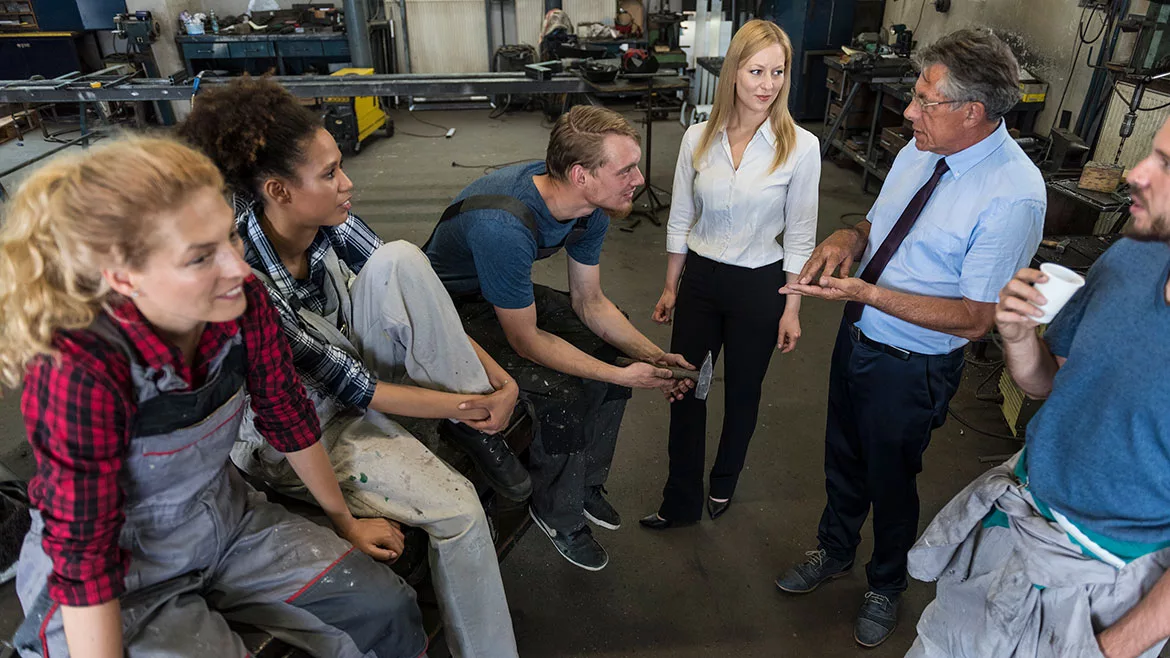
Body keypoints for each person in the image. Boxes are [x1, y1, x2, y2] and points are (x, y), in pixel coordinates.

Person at [0, 136, 425, 657]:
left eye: (230, 237)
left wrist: (344, 521)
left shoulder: (243, 305)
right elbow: (85, 560)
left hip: (225, 519)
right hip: (118, 568)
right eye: (201, 257)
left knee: (384, 610)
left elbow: (287, 417)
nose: (238, 269)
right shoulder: (79, 369)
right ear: (121, 276)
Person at [179, 77, 519, 658]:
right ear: (279, 191)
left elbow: (416, 296)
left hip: (350, 373)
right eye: (331, 173)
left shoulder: (328, 217)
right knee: (459, 508)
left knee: (401, 259)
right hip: (302, 433)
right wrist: (473, 405)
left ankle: (471, 427)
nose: (348, 182)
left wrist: (496, 381)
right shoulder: (248, 281)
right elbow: (347, 390)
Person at [772, 28, 1045, 647]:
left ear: (972, 113)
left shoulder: (1012, 196)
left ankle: (886, 583)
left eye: (925, 100)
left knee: (891, 477)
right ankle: (835, 550)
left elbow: (977, 318)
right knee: (842, 457)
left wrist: (867, 293)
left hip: (912, 365)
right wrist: (848, 238)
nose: (909, 110)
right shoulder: (920, 150)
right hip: (859, 336)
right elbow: (879, 223)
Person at [906, 118, 1170, 658]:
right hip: (1013, 530)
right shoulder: (1130, 257)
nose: (1137, 173)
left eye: (1167, 165)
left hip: (1098, 589)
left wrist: (1108, 648)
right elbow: (1049, 383)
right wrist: (1020, 335)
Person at [424, 105, 693, 571]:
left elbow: (589, 302)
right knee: (563, 391)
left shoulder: (590, 211)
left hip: (503, 292)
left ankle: (586, 484)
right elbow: (527, 341)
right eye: (626, 169)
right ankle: (558, 513)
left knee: (612, 351)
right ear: (580, 175)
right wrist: (621, 375)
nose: (640, 180)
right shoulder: (504, 226)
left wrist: (653, 356)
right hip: (450, 309)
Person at [641, 19, 820, 530]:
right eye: (756, 70)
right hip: (699, 282)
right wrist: (671, 286)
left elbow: (801, 235)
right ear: (733, 73)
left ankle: (723, 483)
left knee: (743, 391)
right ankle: (679, 500)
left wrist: (792, 307)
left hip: (760, 285)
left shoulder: (800, 147)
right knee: (685, 387)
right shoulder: (698, 138)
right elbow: (680, 217)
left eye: (778, 72)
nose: (767, 84)